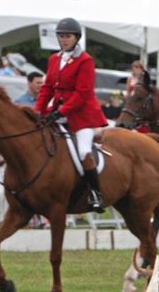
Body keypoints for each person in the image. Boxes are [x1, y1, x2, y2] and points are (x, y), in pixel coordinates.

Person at [34, 17, 108, 212]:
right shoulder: (54, 59)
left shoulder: (85, 60)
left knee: (84, 150)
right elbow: (47, 88)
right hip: (57, 112)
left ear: (76, 38)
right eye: (61, 36)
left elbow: (82, 93)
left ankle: (95, 193)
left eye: (67, 36)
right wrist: (37, 112)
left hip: (82, 116)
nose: (64, 40)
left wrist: (60, 112)